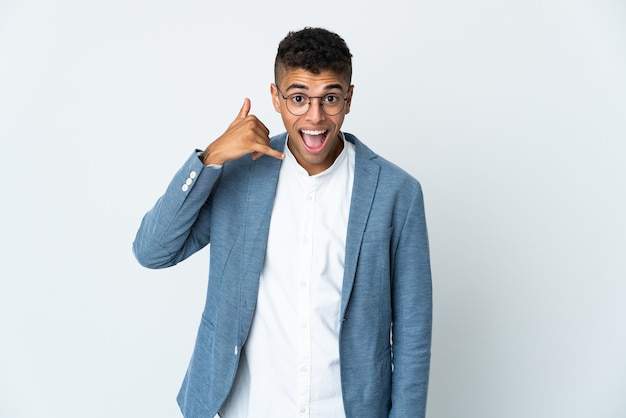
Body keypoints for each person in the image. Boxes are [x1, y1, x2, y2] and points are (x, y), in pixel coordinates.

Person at [133, 27, 432, 418]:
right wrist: (211, 158)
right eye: (298, 98)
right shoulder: (239, 174)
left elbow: (413, 332)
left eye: (330, 98)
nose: (315, 116)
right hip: (247, 408)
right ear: (275, 97)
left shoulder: (396, 192)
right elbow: (153, 251)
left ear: (349, 98)